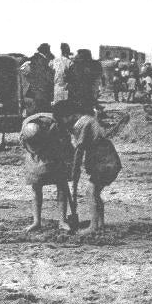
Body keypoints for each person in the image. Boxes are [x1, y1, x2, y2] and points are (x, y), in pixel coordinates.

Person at [53, 100, 121, 235]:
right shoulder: (87, 119)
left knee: (91, 193)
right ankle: (100, 223)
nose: (64, 122)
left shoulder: (82, 124)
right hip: (108, 157)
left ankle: (93, 226)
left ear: (71, 115)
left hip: (103, 158)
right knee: (95, 193)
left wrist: (75, 170)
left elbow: (79, 150)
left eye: (64, 118)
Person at [20, 110, 73, 233]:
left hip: (55, 151)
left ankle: (62, 221)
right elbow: (25, 145)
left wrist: (66, 159)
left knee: (62, 185)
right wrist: (35, 151)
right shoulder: (25, 128)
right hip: (35, 157)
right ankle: (36, 222)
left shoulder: (56, 126)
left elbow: (67, 143)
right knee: (36, 185)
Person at [19, 43, 55, 114]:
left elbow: (23, 71)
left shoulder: (30, 60)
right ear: (47, 51)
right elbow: (49, 78)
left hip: (30, 93)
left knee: (33, 114)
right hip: (42, 93)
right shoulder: (46, 61)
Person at [65, 49, 102, 114]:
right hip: (85, 91)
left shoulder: (74, 65)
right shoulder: (93, 65)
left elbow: (68, 78)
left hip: (78, 91)